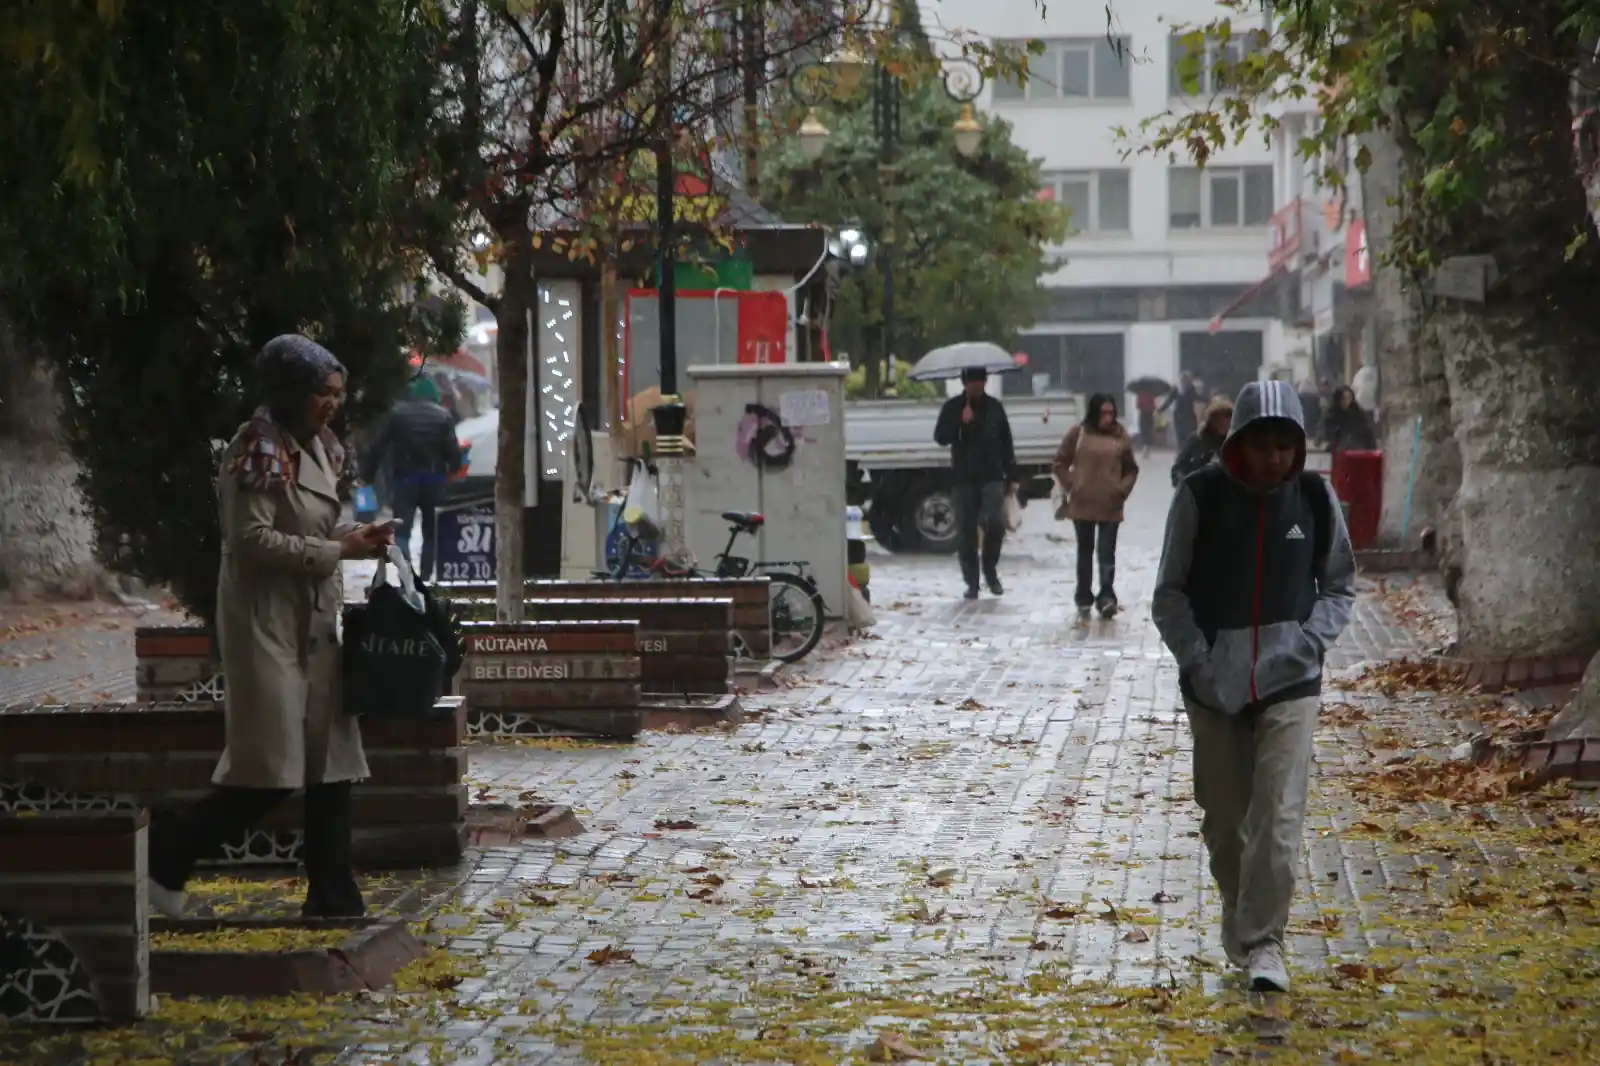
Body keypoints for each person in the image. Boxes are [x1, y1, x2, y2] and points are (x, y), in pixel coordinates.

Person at [148, 334, 394, 920]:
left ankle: (333, 896)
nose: (332, 404)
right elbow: (250, 539)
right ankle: (166, 857)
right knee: (271, 769)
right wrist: (336, 551)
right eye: (321, 393)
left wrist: (355, 538)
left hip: (316, 622)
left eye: (338, 393)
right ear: (290, 391)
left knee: (333, 766)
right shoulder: (256, 447)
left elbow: (315, 526)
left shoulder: (321, 447)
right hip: (266, 625)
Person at [1151, 379, 1355, 992]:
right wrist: (1199, 660)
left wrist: (1309, 643)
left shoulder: (1314, 498)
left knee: (1279, 813)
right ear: (1237, 441)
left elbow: (1339, 584)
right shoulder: (1200, 496)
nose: (1274, 459)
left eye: (1285, 447)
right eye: (1262, 445)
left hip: (1292, 682)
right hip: (1214, 685)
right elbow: (1169, 594)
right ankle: (1239, 910)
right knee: (1224, 820)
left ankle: (1265, 940)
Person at [362, 375, 463, 582]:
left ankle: (406, 577)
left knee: (402, 532)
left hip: (404, 480)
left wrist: (367, 475)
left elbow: (378, 446)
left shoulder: (397, 415)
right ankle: (425, 577)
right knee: (431, 532)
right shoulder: (443, 416)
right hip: (434, 481)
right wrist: (454, 469)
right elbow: (453, 450)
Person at [1052, 393, 1139, 617]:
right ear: (1093, 412)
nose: (1107, 418)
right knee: (1085, 550)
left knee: (1106, 552)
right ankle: (1083, 595)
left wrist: (1121, 490)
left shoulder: (1120, 436)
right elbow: (1060, 462)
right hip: (1083, 503)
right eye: (1103, 413)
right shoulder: (1078, 433)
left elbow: (1131, 469)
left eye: (1111, 413)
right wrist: (1073, 485)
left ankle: (1106, 596)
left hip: (1111, 504)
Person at [933, 367, 1016, 599]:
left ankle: (990, 570)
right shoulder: (953, 407)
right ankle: (972, 582)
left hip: (992, 476)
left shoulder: (995, 408)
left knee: (995, 524)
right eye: (972, 381)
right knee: (966, 531)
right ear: (964, 383)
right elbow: (940, 437)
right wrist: (960, 424)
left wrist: (1012, 474)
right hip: (964, 477)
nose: (976, 385)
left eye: (980, 380)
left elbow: (1006, 441)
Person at [1171, 397, 1234, 486]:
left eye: (1230, 419)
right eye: (1222, 423)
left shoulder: (1234, 443)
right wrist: (1183, 482)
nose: (1227, 424)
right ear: (1213, 421)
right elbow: (1178, 467)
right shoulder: (1197, 439)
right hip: (1197, 488)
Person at [1323, 385, 1378, 455]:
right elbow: (1329, 435)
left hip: (1358, 450)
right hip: (1339, 450)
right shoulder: (1332, 415)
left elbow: (1367, 433)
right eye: (1343, 398)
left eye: (1349, 398)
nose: (1346, 401)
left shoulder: (1358, 414)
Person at [1161, 372, 1200, 448]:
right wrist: (1161, 409)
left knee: (1190, 434)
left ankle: (1188, 449)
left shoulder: (1191, 388)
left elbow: (1196, 397)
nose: (1185, 381)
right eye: (1184, 379)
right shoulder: (1175, 389)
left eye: (1187, 379)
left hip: (1188, 415)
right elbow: (1169, 400)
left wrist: (1209, 399)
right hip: (1179, 416)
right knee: (1180, 435)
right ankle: (1181, 450)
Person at [1133, 389, 1159, 456]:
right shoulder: (1152, 395)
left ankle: (1144, 446)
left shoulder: (1140, 395)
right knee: (1149, 431)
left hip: (1143, 415)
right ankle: (1147, 447)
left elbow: (1137, 406)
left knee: (1143, 430)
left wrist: (1142, 407)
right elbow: (1154, 406)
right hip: (1150, 415)